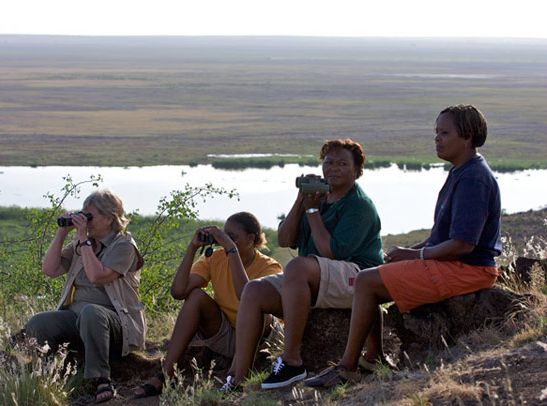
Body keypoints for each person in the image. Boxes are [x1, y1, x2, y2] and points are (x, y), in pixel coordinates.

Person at [305, 104, 502, 388]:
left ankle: (350, 367)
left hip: (469, 270)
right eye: (437, 132)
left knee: (367, 280)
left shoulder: (473, 178)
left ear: (468, 136)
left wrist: (416, 255)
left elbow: (462, 245)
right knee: (372, 277)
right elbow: (441, 235)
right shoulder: (462, 172)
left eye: (445, 133)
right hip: (455, 263)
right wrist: (410, 253)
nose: (437, 138)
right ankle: (370, 359)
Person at [220, 139, 384, 392]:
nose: (333, 168)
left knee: (296, 266)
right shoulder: (319, 198)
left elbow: (333, 253)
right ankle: (236, 376)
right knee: (253, 291)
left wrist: (312, 213)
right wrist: (300, 202)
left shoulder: (359, 205)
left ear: (357, 170)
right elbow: (286, 239)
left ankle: (292, 361)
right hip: (314, 276)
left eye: (343, 163)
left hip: (357, 276)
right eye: (328, 162)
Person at [133, 212, 282, 398]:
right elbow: (179, 292)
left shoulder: (269, 267)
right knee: (195, 296)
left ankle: (235, 378)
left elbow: (246, 297)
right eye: (223, 236)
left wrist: (231, 250)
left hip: (261, 339)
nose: (225, 241)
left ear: (251, 239)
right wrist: (193, 247)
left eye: (232, 237)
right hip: (227, 335)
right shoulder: (216, 258)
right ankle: (165, 375)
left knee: (262, 311)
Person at [25, 190, 145, 404]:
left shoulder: (124, 246)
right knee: (39, 322)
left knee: (92, 312)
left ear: (109, 218)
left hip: (117, 324)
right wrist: (62, 233)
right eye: (83, 215)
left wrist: (82, 239)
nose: (85, 221)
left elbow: (97, 276)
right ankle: (45, 371)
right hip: (79, 319)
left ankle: (101, 379)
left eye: (90, 216)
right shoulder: (84, 244)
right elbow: (50, 269)